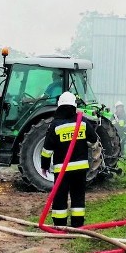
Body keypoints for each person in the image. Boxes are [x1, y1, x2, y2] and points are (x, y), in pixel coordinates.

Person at [40, 91, 98, 227]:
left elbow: (47, 149)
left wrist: (44, 165)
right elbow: (93, 140)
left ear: (59, 106)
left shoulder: (55, 125)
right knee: (78, 196)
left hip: (62, 170)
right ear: (74, 106)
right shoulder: (82, 122)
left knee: (60, 196)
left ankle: (60, 224)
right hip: (80, 168)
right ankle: (77, 225)